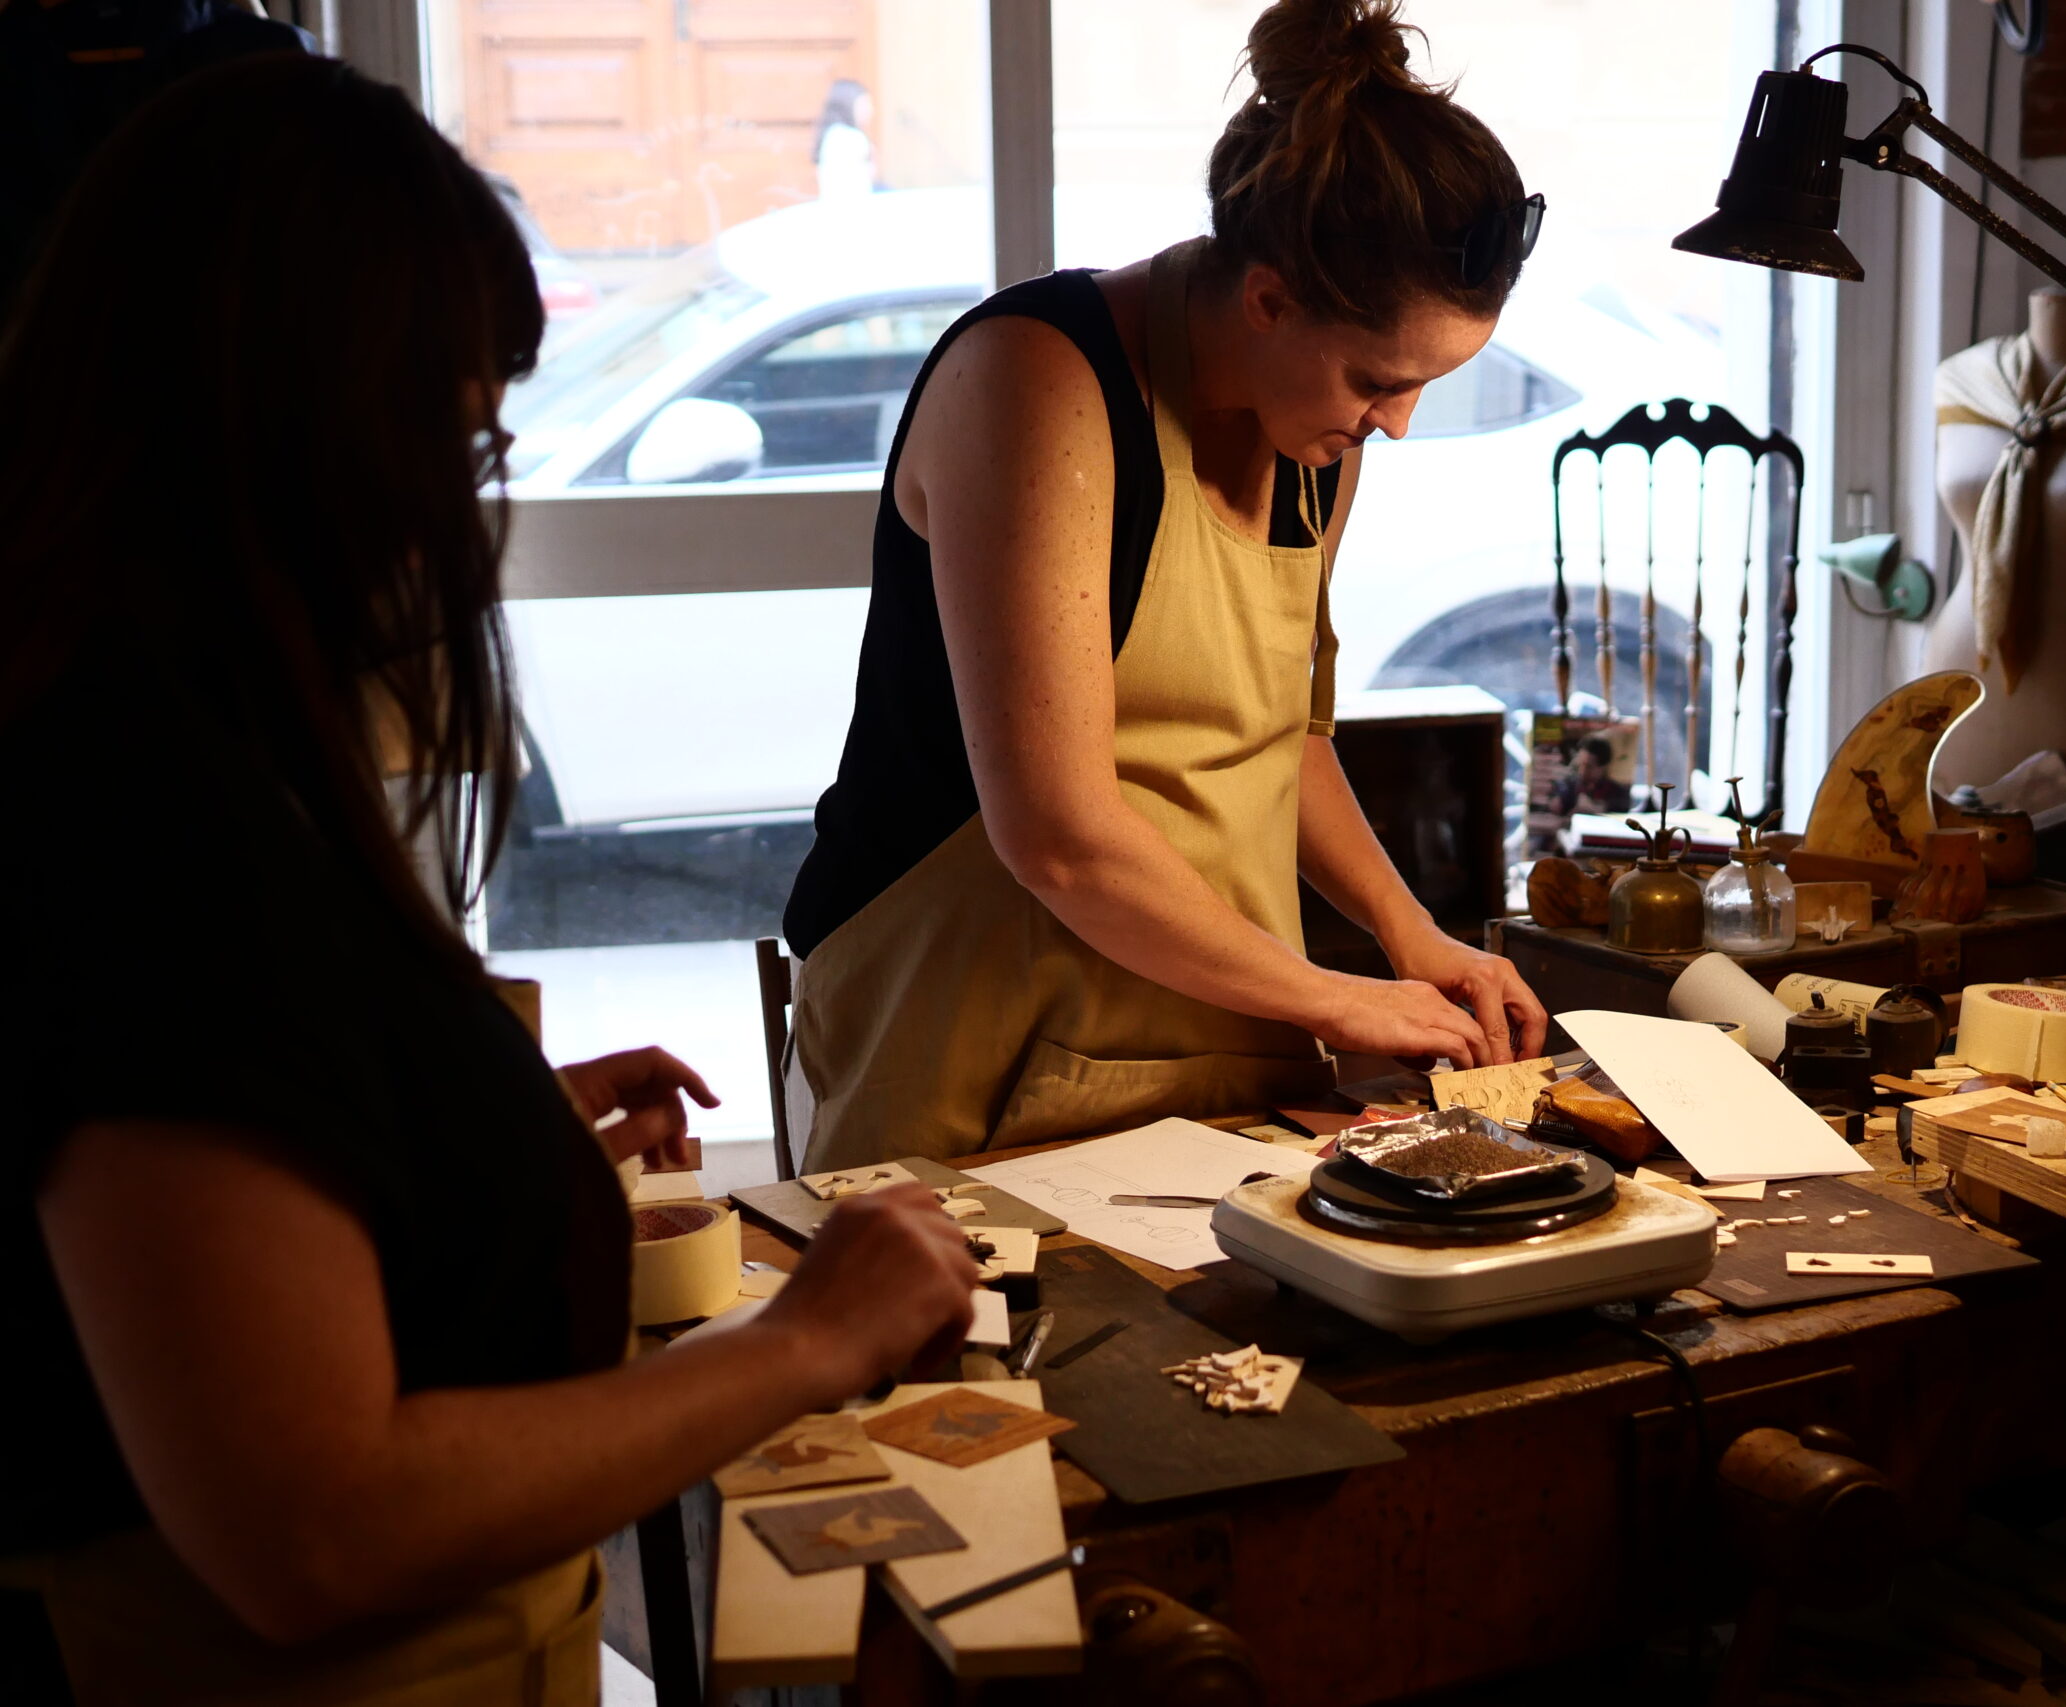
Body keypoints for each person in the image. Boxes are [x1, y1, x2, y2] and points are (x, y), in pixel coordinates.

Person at [0, 57, 978, 1704]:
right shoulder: (135, 815)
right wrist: (805, 1342)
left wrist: (472, 1135)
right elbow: (312, 1523)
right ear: (298, 417)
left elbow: (259, 1157)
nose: (459, 519)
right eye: (452, 441)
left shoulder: (185, 732)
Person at [782, 0, 1549, 1168]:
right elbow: (1060, 839)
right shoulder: (1038, 382)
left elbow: (1274, 736)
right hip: (970, 1024)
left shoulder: (1310, 435)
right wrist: (1336, 1000)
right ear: (1270, 299)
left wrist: (1407, 934)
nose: (1395, 423)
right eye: (1378, 379)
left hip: (1222, 1024)